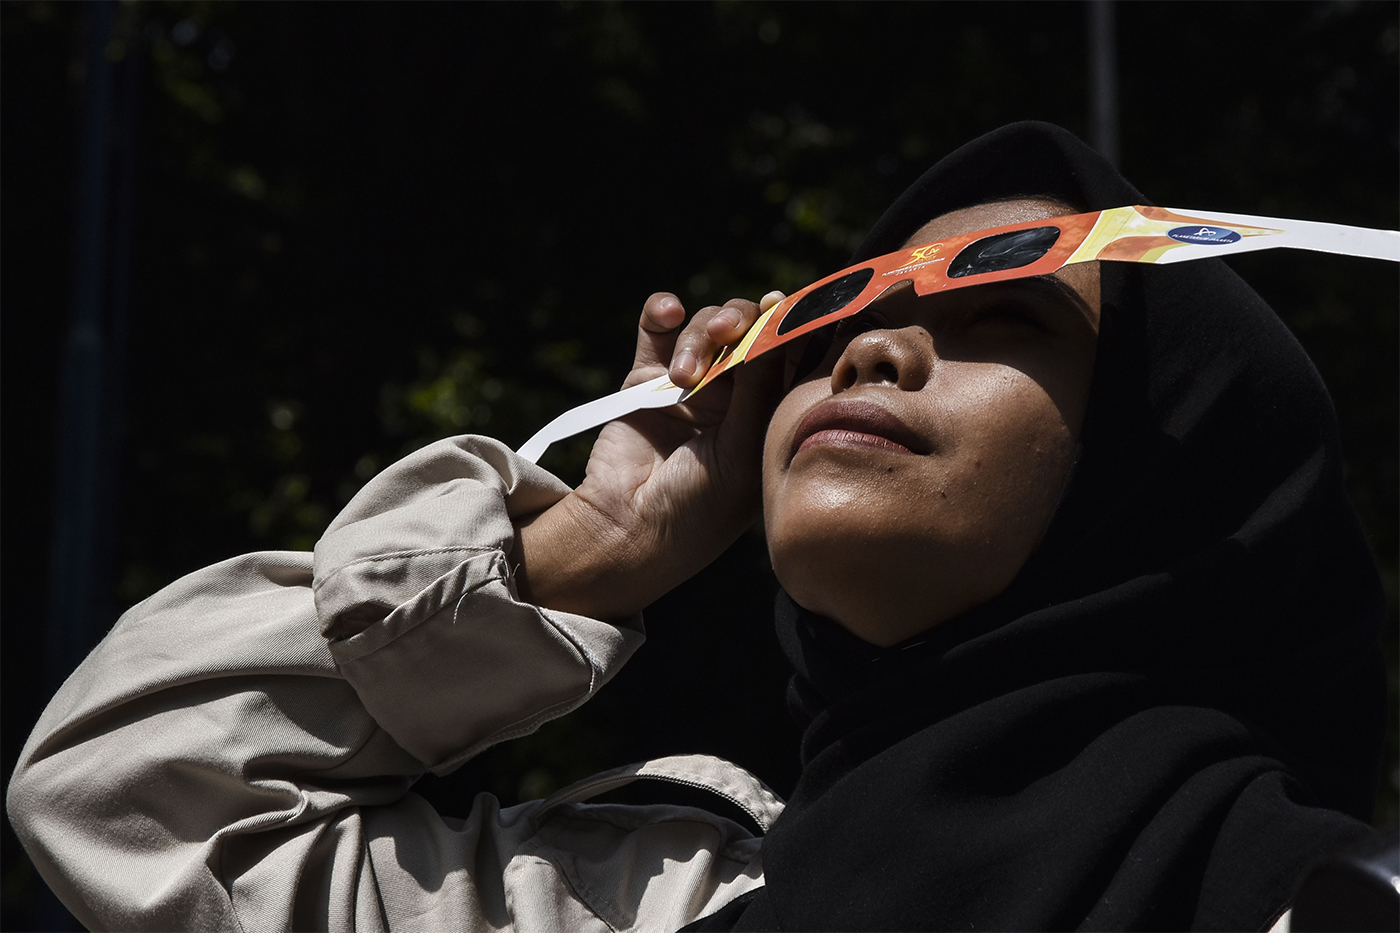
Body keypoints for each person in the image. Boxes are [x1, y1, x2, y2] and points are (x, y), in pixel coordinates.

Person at [7, 122, 1387, 931]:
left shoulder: (1329, 908)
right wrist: (584, 547)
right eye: (840, 313)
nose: (871, 351)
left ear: (1168, 474)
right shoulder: (628, 903)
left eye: (1005, 312)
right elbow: (133, 789)